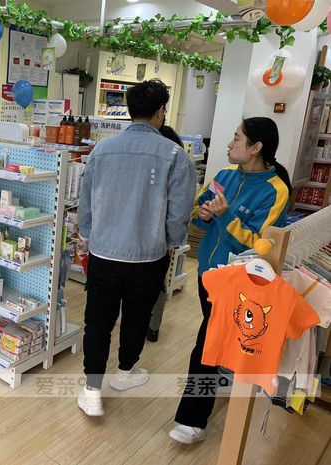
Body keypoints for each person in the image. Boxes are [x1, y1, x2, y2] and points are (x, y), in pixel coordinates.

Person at [77, 79, 197, 417]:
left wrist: (88, 234)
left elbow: (86, 202)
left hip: (104, 252)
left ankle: (92, 390)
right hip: (149, 255)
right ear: (161, 112)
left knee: (97, 321)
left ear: (130, 111)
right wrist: (172, 243)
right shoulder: (175, 155)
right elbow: (178, 213)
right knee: (137, 316)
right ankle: (125, 372)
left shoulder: (101, 150)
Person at [169, 117, 291, 444]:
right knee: (215, 338)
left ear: (256, 147)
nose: (229, 143)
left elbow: (260, 243)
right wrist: (204, 214)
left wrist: (225, 217)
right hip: (207, 274)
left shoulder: (275, 190)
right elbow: (197, 210)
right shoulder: (224, 175)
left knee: (207, 344)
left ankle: (192, 420)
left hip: (239, 281)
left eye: (237, 138)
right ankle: (220, 377)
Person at [147, 125, 186, 343]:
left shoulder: (152, 165)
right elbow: (179, 210)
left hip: (152, 238)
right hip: (161, 239)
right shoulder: (176, 165)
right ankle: (153, 326)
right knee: (158, 284)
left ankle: (147, 324)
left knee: (152, 284)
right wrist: (173, 240)